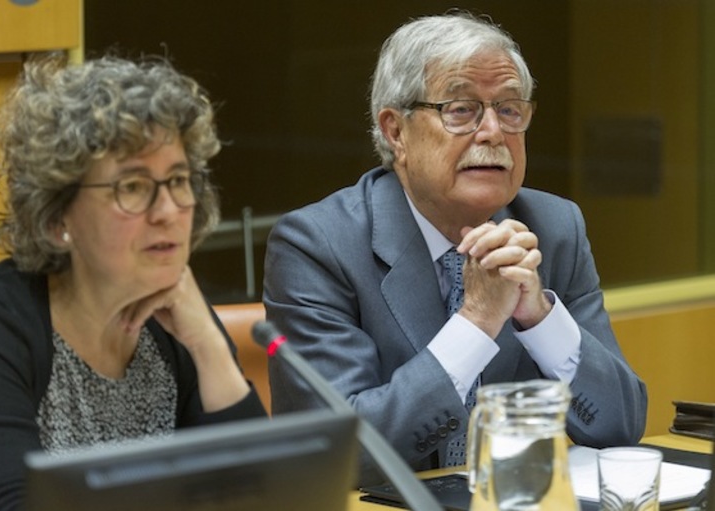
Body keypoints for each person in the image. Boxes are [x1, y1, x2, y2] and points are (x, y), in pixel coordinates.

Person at [263, 11, 647, 485]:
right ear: (395, 132)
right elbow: (338, 453)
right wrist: (477, 321)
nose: (492, 132)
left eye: (509, 110)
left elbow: (620, 425)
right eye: (461, 110)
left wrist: (540, 318)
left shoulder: (553, 227)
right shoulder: (318, 244)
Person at [0, 54, 267, 510]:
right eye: (133, 187)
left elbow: (264, 495)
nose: (167, 211)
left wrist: (210, 348)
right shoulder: (2, 324)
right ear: (59, 216)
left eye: (178, 180)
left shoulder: (179, 319)